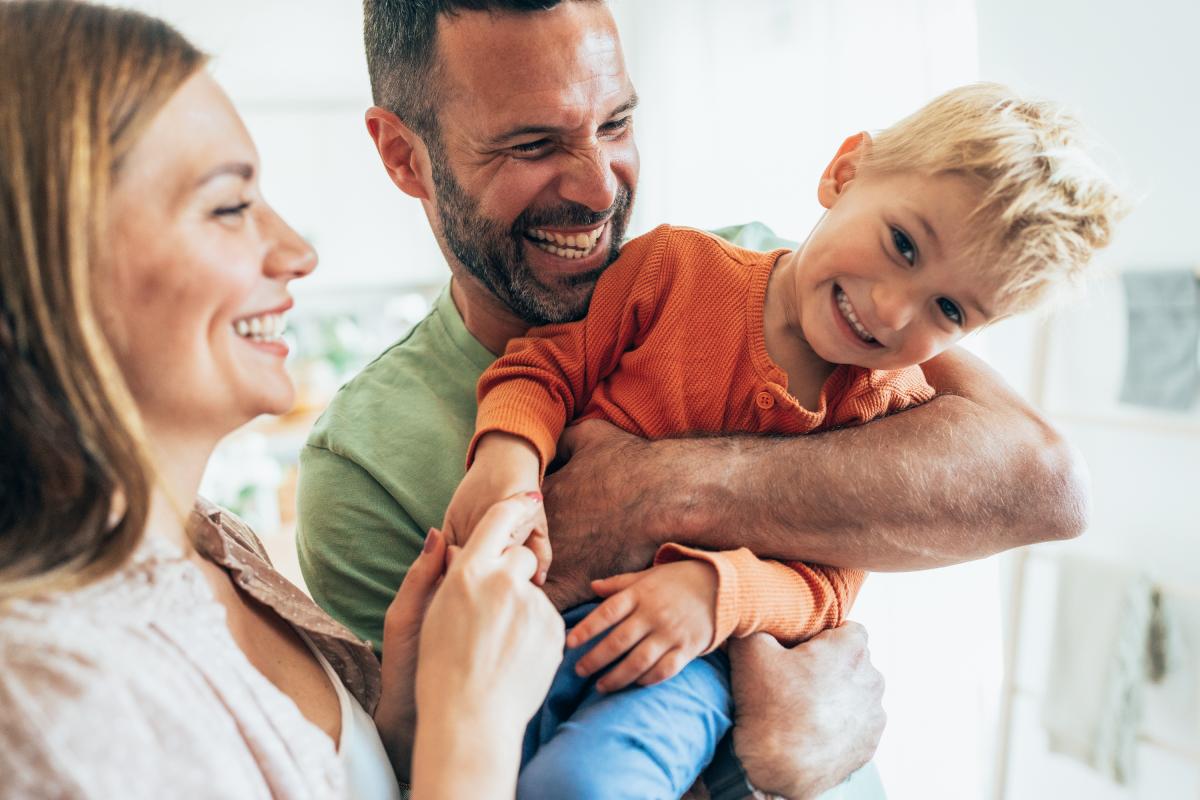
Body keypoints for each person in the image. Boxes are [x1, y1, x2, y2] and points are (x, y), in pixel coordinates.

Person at [297, 1, 1092, 796]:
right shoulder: (361, 467)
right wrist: (771, 759)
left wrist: (663, 497)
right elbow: (429, 772)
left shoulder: (784, 282)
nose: (599, 186)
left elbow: (1042, 483)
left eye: (615, 124)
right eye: (533, 144)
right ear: (405, 157)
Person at [0, 3, 563, 799]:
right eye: (229, 207)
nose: (297, 252)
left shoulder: (221, 552)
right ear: (44, 264)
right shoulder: (43, 700)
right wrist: (471, 732)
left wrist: (399, 725)